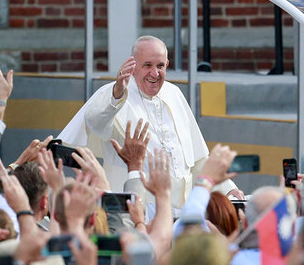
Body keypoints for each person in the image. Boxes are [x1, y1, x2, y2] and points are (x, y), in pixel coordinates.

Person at [59, 35, 242, 218]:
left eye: (160, 66)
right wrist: (116, 95)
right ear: (132, 65)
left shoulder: (174, 94)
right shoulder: (113, 93)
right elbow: (97, 123)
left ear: (167, 65)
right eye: (147, 65)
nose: (155, 73)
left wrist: (228, 190)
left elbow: (197, 159)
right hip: (132, 212)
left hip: (180, 212)